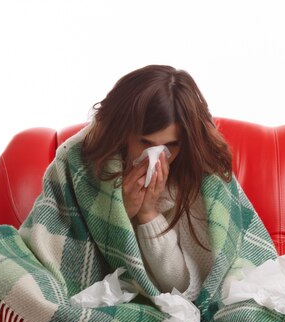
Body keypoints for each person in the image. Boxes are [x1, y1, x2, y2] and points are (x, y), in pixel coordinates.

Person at [80, 65, 232, 300]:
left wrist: (148, 214)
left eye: (170, 145)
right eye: (145, 142)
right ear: (123, 133)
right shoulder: (83, 162)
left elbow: (185, 288)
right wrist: (121, 214)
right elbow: (72, 262)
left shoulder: (198, 175)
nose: (156, 157)